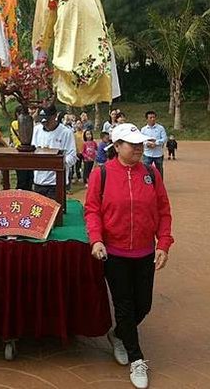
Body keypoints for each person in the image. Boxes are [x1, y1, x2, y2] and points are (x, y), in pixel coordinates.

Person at [85, 123, 174, 389]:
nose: (138, 148)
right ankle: (137, 359)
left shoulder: (150, 172)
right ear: (116, 146)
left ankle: (119, 335)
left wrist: (164, 243)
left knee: (142, 305)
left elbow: (163, 209)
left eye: (139, 143)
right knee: (124, 305)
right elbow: (92, 210)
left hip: (145, 250)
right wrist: (97, 239)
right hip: (114, 252)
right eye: (131, 143)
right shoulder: (101, 174)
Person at [31, 105, 77, 200]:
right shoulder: (37, 130)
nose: (45, 123)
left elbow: (72, 156)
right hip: (39, 181)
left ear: (54, 116)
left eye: (48, 120)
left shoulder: (66, 133)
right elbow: (33, 151)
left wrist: (57, 162)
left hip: (56, 182)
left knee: (55, 212)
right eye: (42, 121)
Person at [9, 105, 33, 191]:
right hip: (19, 152)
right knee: (22, 177)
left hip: (26, 152)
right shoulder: (15, 123)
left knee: (29, 177)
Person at [141, 110, 168, 178]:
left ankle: (160, 186)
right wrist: (147, 143)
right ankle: (148, 186)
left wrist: (156, 143)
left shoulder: (160, 128)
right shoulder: (143, 129)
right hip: (147, 153)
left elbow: (164, 139)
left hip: (158, 154)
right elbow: (141, 140)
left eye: (154, 117)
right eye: (150, 117)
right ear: (147, 119)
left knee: (159, 171)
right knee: (146, 171)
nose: (153, 119)